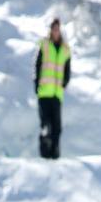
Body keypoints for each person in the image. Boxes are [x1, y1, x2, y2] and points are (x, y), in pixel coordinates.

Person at [34, 18, 71, 159]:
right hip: (44, 93)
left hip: (57, 94)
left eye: (57, 29)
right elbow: (37, 66)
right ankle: (44, 154)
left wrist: (65, 82)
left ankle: (55, 155)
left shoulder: (65, 50)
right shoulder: (44, 46)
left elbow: (67, 69)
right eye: (53, 29)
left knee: (57, 127)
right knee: (46, 125)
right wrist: (37, 84)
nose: (55, 32)